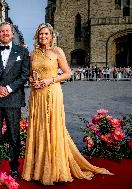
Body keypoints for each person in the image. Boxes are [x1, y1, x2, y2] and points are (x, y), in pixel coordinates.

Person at [22, 23, 113, 185]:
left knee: (52, 128)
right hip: (37, 96)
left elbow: (67, 73)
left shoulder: (58, 52)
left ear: (51, 36)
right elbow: (29, 75)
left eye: (46, 34)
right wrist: (32, 81)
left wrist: (50, 80)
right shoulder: (33, 54)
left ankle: (54, 169)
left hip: (52, 93)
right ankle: (39, 169)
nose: (43, 37)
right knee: (39, 128)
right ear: (37, 36)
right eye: (40, 34)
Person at [0, 22, 30, 179]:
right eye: (2, 31)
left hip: (13, 99)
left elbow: (24, 75)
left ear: (12, 33)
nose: (5, 33)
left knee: (13, 135)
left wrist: (8, 88)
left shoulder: (22, 52)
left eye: (7, 31)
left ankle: (14, 166)